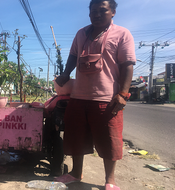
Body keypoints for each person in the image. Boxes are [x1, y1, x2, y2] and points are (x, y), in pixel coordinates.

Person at [54, 0, 135, 190]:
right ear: (89, 13)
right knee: (75, 137)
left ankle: (110, 181)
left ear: (113, 12)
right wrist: (66, 73)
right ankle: (75, 173)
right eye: (93, 11)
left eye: (102, 10)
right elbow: (73, 55)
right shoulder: (81, 33)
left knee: (109, 140)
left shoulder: (122, 34)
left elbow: (128, 65)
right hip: (78, 96)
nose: (97, 14)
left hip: (106, 98)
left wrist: (123, 93)